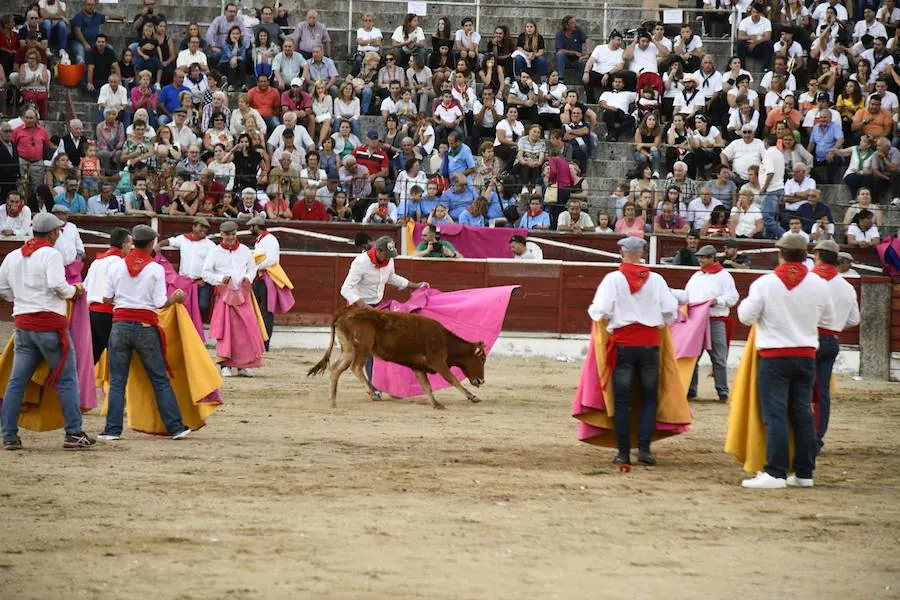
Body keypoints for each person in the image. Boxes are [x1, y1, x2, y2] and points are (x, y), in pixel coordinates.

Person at [736, 234, 834, 489]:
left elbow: (746, 317)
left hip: (774, 356)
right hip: (806, 355)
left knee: (775, 413)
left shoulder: (765, 283)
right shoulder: (819, 284)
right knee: (802, 412)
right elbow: (829, 320)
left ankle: (776, 472)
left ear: (780, 254)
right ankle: (804, 473)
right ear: (805, 255)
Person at [0, 212, 95, 450]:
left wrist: (20, 299)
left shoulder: (13, 256)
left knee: (16, 381)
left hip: (23, 324)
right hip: (50, 326)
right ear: (53, 233)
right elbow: (57, 285)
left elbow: (3, 288)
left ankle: (9, 435)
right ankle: (73, 433)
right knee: (67, 378)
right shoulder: (51, 254)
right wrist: (74, 292)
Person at [587, 236, 679, 467]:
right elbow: (670, 311)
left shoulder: (613, 279)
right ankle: (645, 450)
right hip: (650, 346)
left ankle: (623, 453)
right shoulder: (657, 280)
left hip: (624, 347)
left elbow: (601, 311)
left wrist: (596, 314)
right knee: (649, 398)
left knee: (622, 400)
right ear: (643, 253)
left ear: (622, 252)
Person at [97, 225, 192, 441]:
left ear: (133, 243)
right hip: (145, 328)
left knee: (118, 381)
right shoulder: (155, 269)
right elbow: (160, 303)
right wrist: (175, 299)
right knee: (159, 379)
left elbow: (106, 299)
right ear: (150, 245)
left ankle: (112, 430)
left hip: (119, 327)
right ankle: (176, 427)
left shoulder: (116, 267)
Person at [339, 236, 426, 396]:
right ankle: (375, 386)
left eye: (390, 255)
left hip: (377, 308)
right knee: (370, 348)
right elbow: (345, 289)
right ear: (377, 251)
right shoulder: (360, 262)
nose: (388, 258)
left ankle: (387, 384)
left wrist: (415, 285)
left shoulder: (388, 261)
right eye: (386, 254)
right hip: (358, 311)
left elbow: (391, 277)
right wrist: (363, 305)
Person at [810, 239, 859, 454]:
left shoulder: (808, 281)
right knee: (822, 393)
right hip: (831, 340)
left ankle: (799, 435)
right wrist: (834, 324)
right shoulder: (846, 287)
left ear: (818, 256)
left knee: (800, 390)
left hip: (807, 339)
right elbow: (854, 320)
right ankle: (817, 438)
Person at [673, 245, 739, 402]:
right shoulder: (697, 276)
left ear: (712, 258)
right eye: (699, 257)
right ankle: (691, 389)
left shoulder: (724, 276)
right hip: (696, 322)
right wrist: (671, 292)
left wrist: (718, 301)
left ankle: (722, 391)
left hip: (715, 320)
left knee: (719, 358)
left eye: (703, 257)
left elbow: (733, 297)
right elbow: (687, 296)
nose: (700, 260)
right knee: (693, 356)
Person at [202, 220, 266, 377]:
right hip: (224, 296)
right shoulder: (214, 252)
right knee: (226, 330)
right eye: (227, 235)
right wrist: (220, 279)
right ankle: (225, 365)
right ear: (221, 235)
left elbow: (252, 268)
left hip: (243, 295)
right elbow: (205, 273)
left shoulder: (244, 250)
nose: (231, 237)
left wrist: (247, 279)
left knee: (246, 330)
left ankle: (243, 365)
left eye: (233, 234)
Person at [83, 227, 132, 363]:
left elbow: (85, 286)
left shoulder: (97, 261)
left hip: (92, 313)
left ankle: (81, 384)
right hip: (109, 313)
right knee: (119, 357)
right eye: (130, 244)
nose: (131, 247)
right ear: (124, 245)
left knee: (92, 356)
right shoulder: (120, 263)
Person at [248, 216, 294, 351]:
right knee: (256, 310)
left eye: (251, 227)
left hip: (268, 278)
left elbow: (272, 260)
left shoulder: (270, 239)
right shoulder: (261, 240)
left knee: (267, 312)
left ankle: (265, 343)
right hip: (259, 278)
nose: (250, 229)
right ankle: (256, 341)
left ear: (256, 226)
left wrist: (256, 267)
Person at [162, 216, 216, 315]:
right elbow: (170, 241)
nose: (204, 230)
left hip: (201, 282)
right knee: (183, 306)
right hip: (185, 281)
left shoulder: (211, 245)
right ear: (194, 227)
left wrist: (204, 280)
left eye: (206, 228)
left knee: (202, 306)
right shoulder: (183, 239)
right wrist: (158, 246)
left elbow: (214, 265)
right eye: (201, 226)